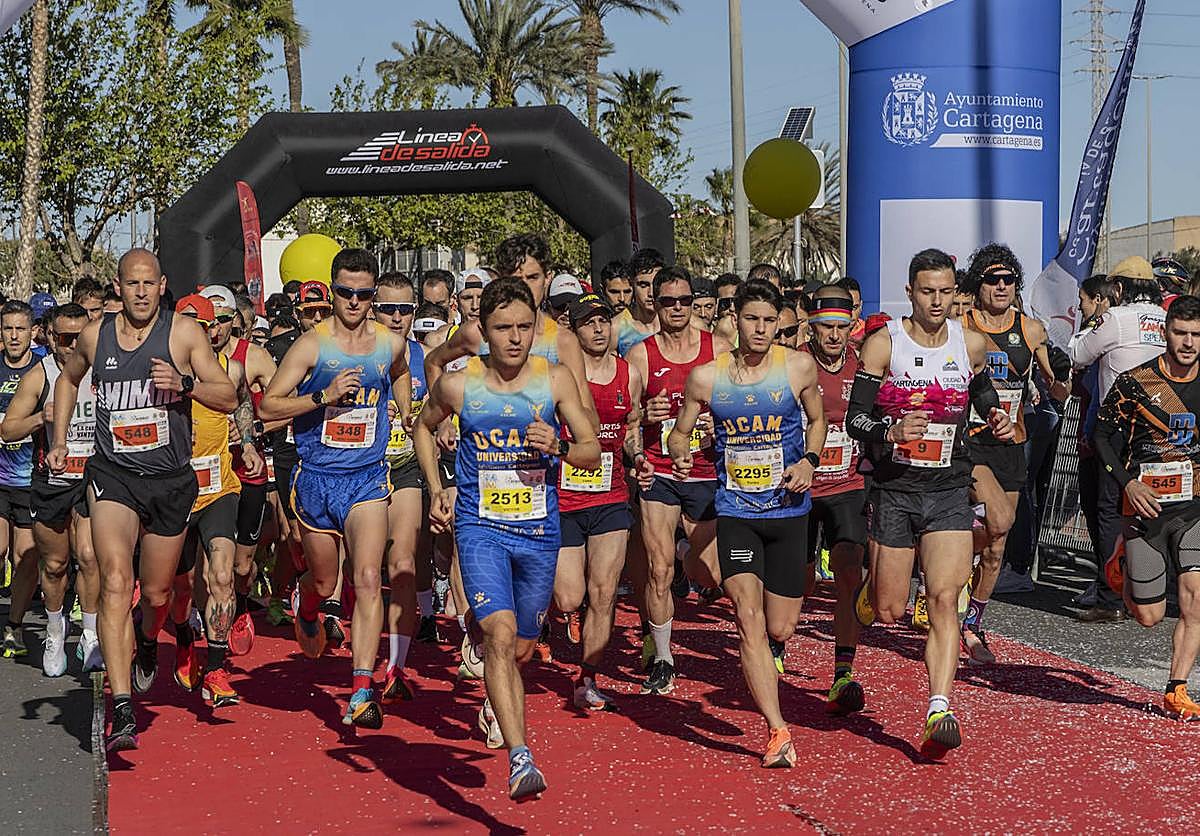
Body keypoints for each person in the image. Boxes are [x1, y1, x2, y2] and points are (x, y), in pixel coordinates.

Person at [413, 277, 600, 800]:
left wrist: (559, 448)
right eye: (503, 328)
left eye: (524, 327)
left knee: (520, 648)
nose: (515, 338)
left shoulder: (555, 378)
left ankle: (496, 696)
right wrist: (437, 487)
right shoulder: (459, 385)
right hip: (481, 528)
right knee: (498, 634)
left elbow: (592, 452)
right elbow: (423, 427)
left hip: (538, 531)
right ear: (484, 330)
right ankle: (521, 759)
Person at [49, 248, 238, 751]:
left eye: (148, 283)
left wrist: (186, 384)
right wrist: (59, 439)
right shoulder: (96, 336)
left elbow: (228, 396)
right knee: (115, 578)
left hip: (170, 481)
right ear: (118, 287)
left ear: (162, 285)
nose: (140, 292)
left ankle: (149, 640)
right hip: (113, 476)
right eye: (131, 284)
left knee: (156, 595)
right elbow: (67, 380)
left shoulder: (184, 333)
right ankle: (123, 706)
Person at [846, 248, 1012, 758]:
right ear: (910, 292)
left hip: (947, 489)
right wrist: (891, 431)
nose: (936, 301)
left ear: (954, 292)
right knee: (890, 608)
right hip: (896, 489)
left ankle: (939, 708)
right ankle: (873, 588)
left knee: (943, 598)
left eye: (944, 292)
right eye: (926, 292)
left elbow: (982, 390)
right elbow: (855, 419)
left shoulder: (971, 342)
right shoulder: (884, 344)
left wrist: (996, 416)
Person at [669, 279, 825, 768]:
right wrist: (680, 454)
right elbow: (679, 433)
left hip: (788, 511)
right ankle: (777, 730)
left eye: (769, 320)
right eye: (751, 319)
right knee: (748, 617)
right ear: (735, 320)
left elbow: (817, 421)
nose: (760, 328)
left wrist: (809, 461)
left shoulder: (797, 366)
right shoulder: (706, 378)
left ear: (779, 323)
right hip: (736, 512)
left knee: (780, 624)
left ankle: (691, 557)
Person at [260, 248, 411, 730]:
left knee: (366, 578)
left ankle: (362, 690)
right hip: (317, 480)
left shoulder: (389, 343)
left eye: (364, 294)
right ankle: (307, 602)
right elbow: (268, 407)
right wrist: (322, 396)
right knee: (326, 584)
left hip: (367, 478)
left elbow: (402, 370)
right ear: (332, 290)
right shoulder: (312, 346)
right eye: (345, 292)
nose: (354, 302)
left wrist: (405, 411)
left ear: (373, 295)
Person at [956, 245, 1071, 664]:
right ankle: (941, 569)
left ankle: (972, 623)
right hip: (969, 442)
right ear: (978, 284)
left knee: (997, 544)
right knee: (1000, 519)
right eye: (993, 279)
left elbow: (1058, 389)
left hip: (1012, 443)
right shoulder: (960, 326)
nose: (1002, 286)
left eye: (1009, 280)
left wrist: (1062, 374)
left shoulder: (1031, 330)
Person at [625, 266, 731, 695]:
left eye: (685, 301)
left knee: (709, 575)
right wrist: (640, 436)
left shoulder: (717, 348)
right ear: (655, 303)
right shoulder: (641, 356)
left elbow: (740, 404)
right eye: (668, 301)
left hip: (704, 471)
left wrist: (718, 424)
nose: (677, 308)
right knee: (658, 568)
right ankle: (664, 658)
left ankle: (687, 549)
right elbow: (627, 423)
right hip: (660, 471)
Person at [1095, 294, 1200, 719]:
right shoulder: (1135, 382)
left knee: (1194, 600)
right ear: (1166, 333)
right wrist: (1129, 483)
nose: (1189, 343)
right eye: (1181, 333)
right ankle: (1120, 562)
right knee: (1149, 616)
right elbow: (1100, 436)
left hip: (1194, 509)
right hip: (1145, 509)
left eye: (1196, 335)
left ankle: (1177, 688)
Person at [169, 293, 262, 707]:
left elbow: (240, 405)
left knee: (221, 577)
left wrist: (248, 443)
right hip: (176, 493)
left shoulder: (231, 368)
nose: (200, 333)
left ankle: (217, 668)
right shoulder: (163, 372)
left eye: (205, 325)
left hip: (219, 489)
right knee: (182, 588)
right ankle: (184, 635)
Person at [555, 293, 645, 710]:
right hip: (564, 497)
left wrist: (638, 456)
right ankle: (563, 616)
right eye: (588, 322)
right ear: (573, 331)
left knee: (605, 591)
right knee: (569, 597)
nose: (598, 329)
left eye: (603, 320)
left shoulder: (629, 374)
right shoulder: (560, 376)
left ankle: (587, 677)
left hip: (611, 496)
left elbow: (631, 428)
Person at [1, 303, 99, 675]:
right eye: (65, 338)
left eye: (79, 337)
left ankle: (90, 634)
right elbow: (7, 429)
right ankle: (56, 630)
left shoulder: (102, 370)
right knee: (56, 566)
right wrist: (39, 418)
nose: (73, 345)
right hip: (51, 481)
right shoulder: (40, 375)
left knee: (88, 556)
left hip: (93, 478)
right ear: (51, 337)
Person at [1071, 257, 1166, 622]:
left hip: (1118, 426)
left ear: (1120, 289)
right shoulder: (1166, 319)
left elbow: (1078, 353)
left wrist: (1092, 322)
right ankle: (1149, 589)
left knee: (1110, 509)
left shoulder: (1117, 318)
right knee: (1153, 509)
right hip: (1159, 428)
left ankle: (1111, 596)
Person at [801, 288, 869, 712]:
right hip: (800, 488)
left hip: (847, 485)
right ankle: (775, 643)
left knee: (848, 571)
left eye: (841, 328)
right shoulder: (795, 364)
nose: (833, 336)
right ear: (812, 327)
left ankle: (843, 672)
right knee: (802, 583)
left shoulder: (862, 366)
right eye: (826, 327)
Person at [200, 284, 277, 656]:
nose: (215, 328)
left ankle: (241, 600)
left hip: (246, 469)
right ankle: (212, 631)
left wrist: (253, 431)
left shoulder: (253, 357)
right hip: (206, 473)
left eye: (223, 320)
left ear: (235, 321)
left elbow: (285, 406)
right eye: (208, 321)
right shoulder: (189, 358)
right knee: (212, 567)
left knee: (243, 566)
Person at [373, 272, 430, 702]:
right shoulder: (355, 352)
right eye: (387, 309)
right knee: (361, 570)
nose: (396, 317)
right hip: (359, 470)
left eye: (405, 309)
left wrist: (433, 425)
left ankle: (396, 666)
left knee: (404, 562)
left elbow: (441, 412)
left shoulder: (425, 358)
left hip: (405, 467)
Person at [0, 301, 48, 659]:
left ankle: (14, 627)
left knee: (25, 558)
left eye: (20, 329)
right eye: (8, 329)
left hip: (30, 479)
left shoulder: (43, 369)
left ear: (33, 332)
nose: (14, 336)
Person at [611, 248, 664, 356]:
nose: (651, 293)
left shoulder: (676, 321)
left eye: (656, 284)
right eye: (643, 285)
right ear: (632, 284)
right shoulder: (616, 327)